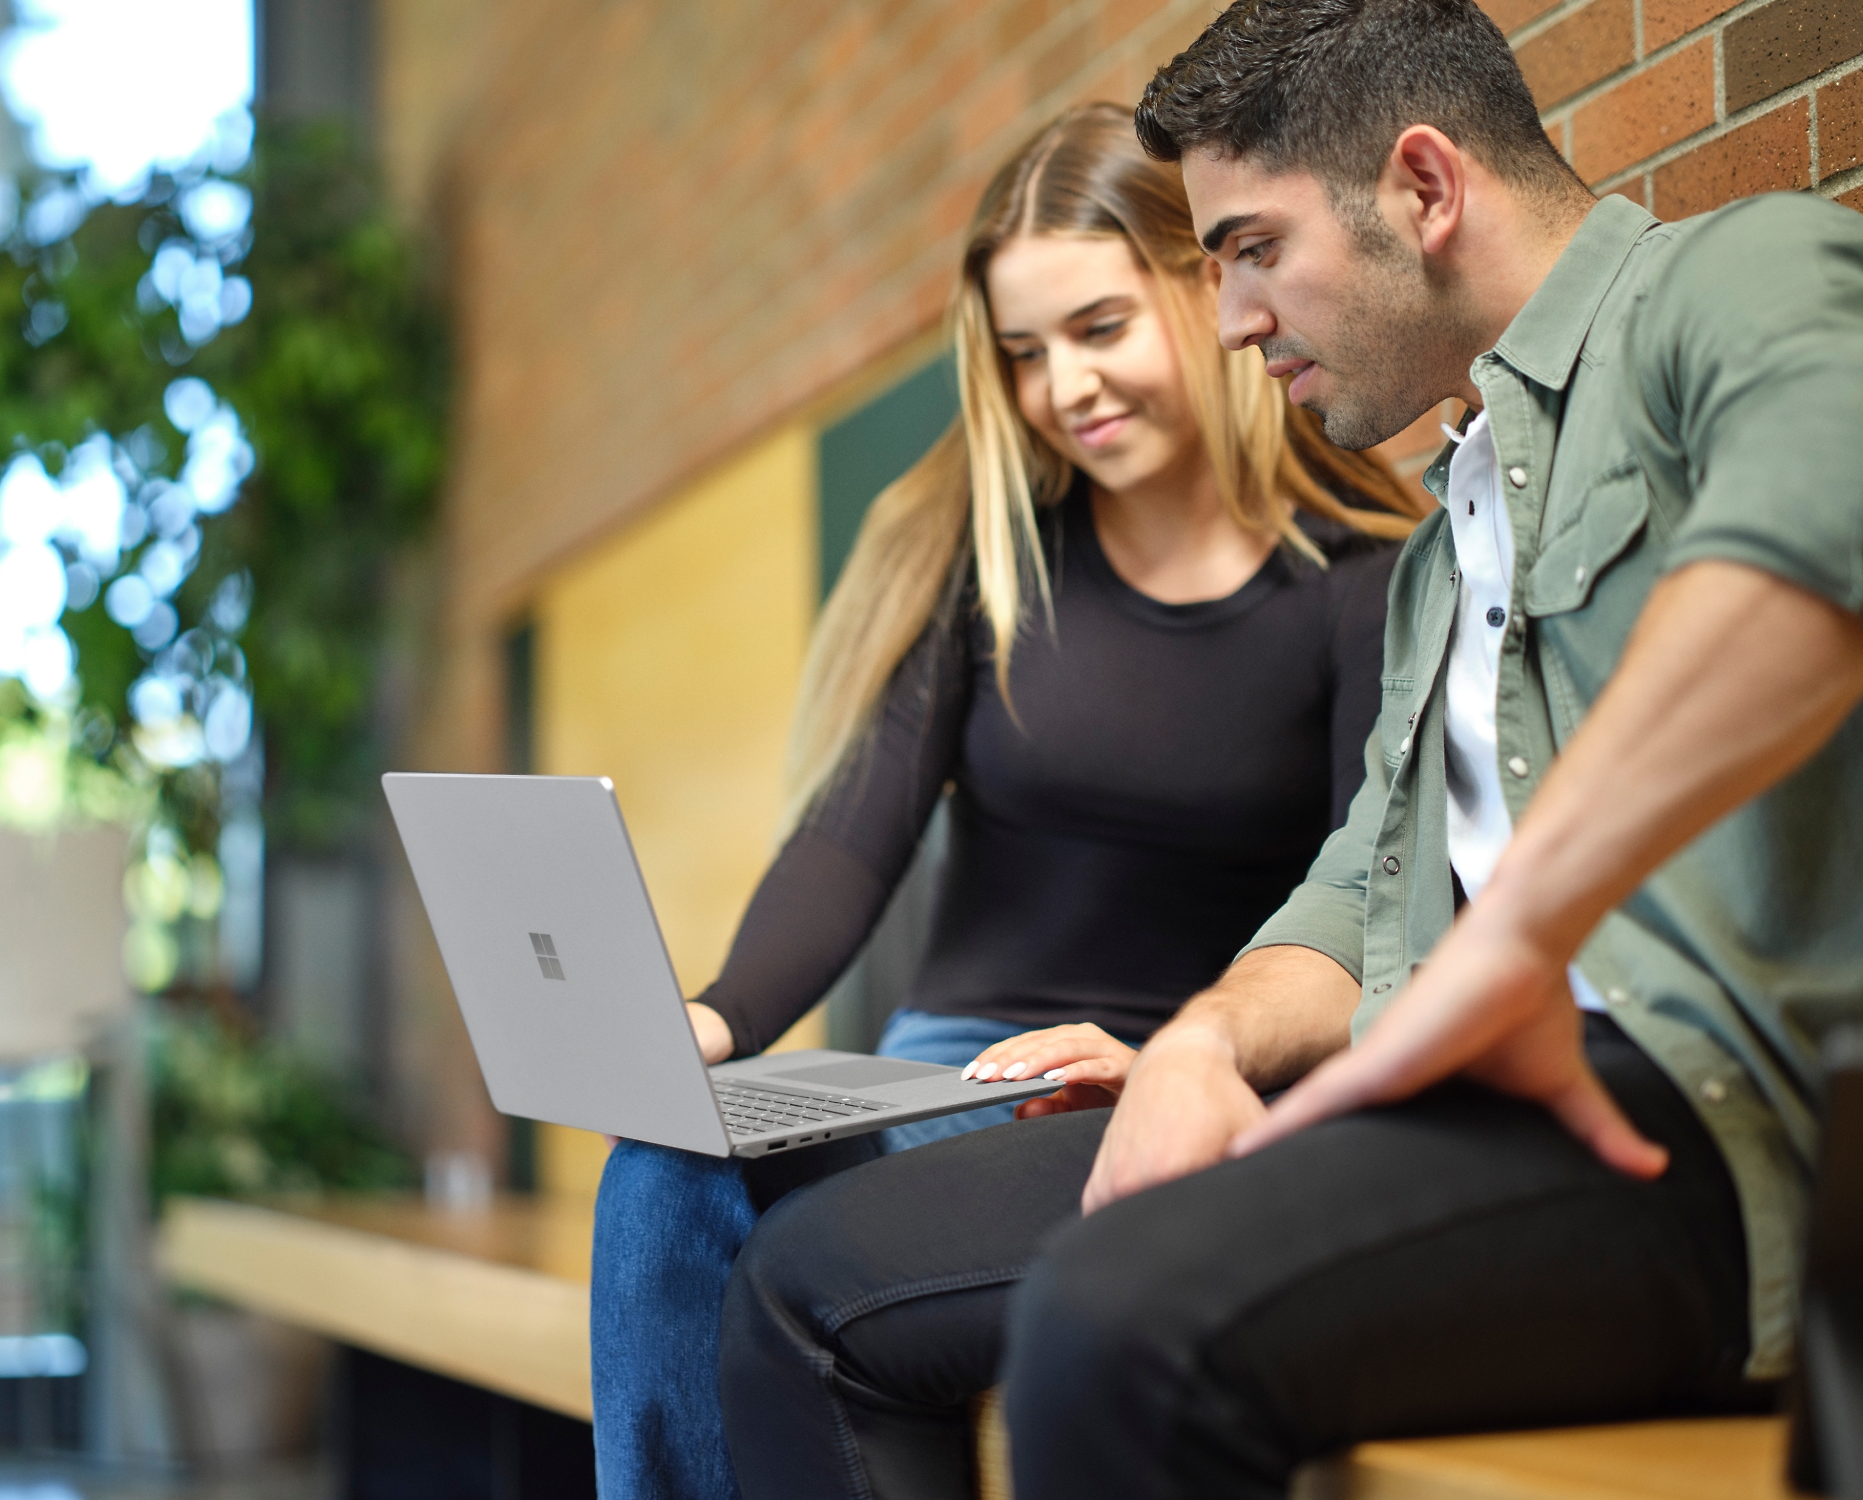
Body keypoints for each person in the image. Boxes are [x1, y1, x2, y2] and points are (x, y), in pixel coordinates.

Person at [713, 3, 1863, 1498]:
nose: (1235, 319)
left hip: (1704, 1126)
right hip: (1462, 1109)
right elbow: (1351, 895)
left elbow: (1812, 550)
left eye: (1251, 250)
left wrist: (1516, 937)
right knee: (813, 1280)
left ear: (1426, 189)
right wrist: (1201, 1042)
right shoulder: (1445, 548)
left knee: (1116, 1323)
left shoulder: (1739, 279)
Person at [589, 102, 1425, 1500]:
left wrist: (1191, 1057)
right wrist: (712, 1021)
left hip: (1163, 1086)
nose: (1066, 388)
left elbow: (1365, 907)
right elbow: (849, 840)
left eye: (1100, 329)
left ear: (1206, 287)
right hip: (935, 1077)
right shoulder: (989, 564)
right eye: (1026, 355)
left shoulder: (1361, 587)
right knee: (663, 1165)